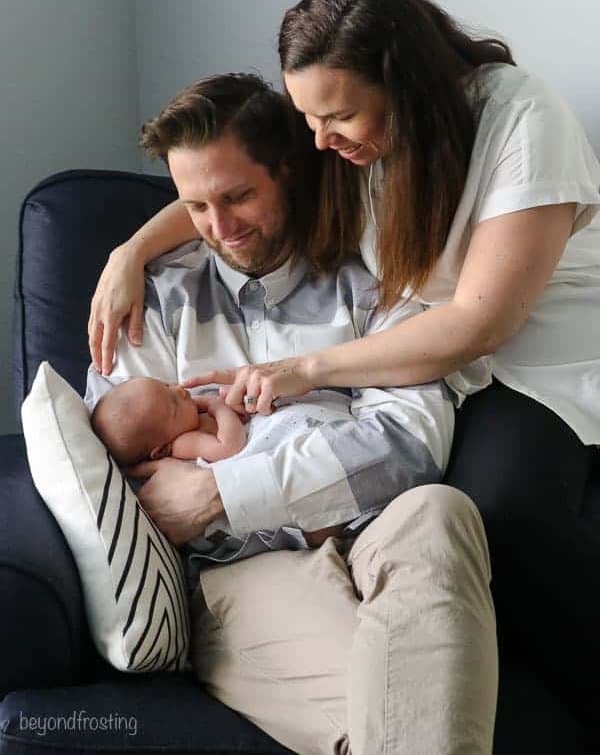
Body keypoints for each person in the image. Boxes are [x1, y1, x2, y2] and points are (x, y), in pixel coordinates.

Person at [87, 0, 600, 713]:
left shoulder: (519, 117)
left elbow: (482, 322)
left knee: (498, 517)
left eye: (336, 118)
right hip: (442, 363)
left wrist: (306, 369)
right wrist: (130, 252)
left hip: (537, 358)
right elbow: (228, 183)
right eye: (310, 121)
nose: (320, 139)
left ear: (406, 87)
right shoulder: (346, 134)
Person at [85, 72, 497, 754]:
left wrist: (226, 490)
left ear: (290, 172)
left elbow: (410, 444)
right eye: (195, 206)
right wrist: (131, 253)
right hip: (249, 573)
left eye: (238, 196)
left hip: (379, 529)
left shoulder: (375, 277)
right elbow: (132, 472)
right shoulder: (151, 303)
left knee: (439, 509)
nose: (220, 229)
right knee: (402, 719)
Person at [90, 377, 248, 464]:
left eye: (166, 386)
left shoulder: (185, 420)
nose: (180, 390)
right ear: (161, 450)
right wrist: (218, 407)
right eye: (174, 404)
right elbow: (230, 446)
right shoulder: (183, 444)